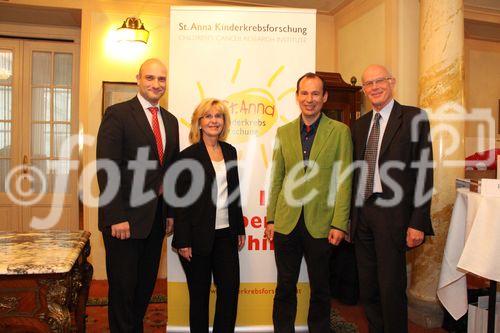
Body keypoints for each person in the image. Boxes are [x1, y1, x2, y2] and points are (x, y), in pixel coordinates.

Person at [265, 73, 353, 333]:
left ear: (324, 97)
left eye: (315, 94)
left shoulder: (339, 132)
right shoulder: (284, 132)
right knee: (284, 287)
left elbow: (344, 180)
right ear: (297, 97)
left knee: (321, 290)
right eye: (304, 93)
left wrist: (339, 223)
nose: (309, 99)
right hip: (286, 223)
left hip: (322, 224)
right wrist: (271, 218)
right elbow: (277, 178)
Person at [96, 58, 179, 332]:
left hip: (155, 220)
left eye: (162, 79)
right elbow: (107, 167)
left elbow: (169, 173)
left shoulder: (171, 121)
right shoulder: (118, 114)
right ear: (138, 79)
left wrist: (169, 213)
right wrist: (116, 216)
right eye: (150, 78)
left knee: (144, 288)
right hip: (124, 222)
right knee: (123, 291)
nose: (156, 84)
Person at [351, 64, 434, 333]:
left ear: (392, 82)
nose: (374, 87)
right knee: (369, 287)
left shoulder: (413, 118)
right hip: (363, 214)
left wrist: (418, 221)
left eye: (379, 81)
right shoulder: (360, 125)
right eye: (368, 84)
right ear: (364, 90)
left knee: (391, 288)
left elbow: (424, 171)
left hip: (394, 217)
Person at [173, 98, 246, 333]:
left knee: (229, 292)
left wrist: (239, 228)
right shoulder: (187, 156)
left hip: (226, 234)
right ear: (199, 123)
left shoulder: (230, 151)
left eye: (218, 116)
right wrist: (183, 239)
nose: (214, 121)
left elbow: (234, 193)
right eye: (208, 116)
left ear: (224, 122)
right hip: (196, 237)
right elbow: (180, 202)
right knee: (199, 296)